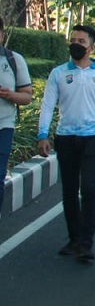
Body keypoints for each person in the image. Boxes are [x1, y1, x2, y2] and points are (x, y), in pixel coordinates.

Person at [38, 24, 95, 262]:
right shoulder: (58, 73)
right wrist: (42, 134)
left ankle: (86, 243)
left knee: (90, 189)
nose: (76, 44)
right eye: (72, 40)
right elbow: (47, 106)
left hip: (93, 138)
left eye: (81, 41)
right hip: (65, 138)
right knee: (70, 191)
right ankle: (74, 239)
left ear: (92, 46)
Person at [0, 18, 33, 220]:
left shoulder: (13, 60)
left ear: (2, 34)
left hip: (3, 126)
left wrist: (10, 95)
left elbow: (27, 96)